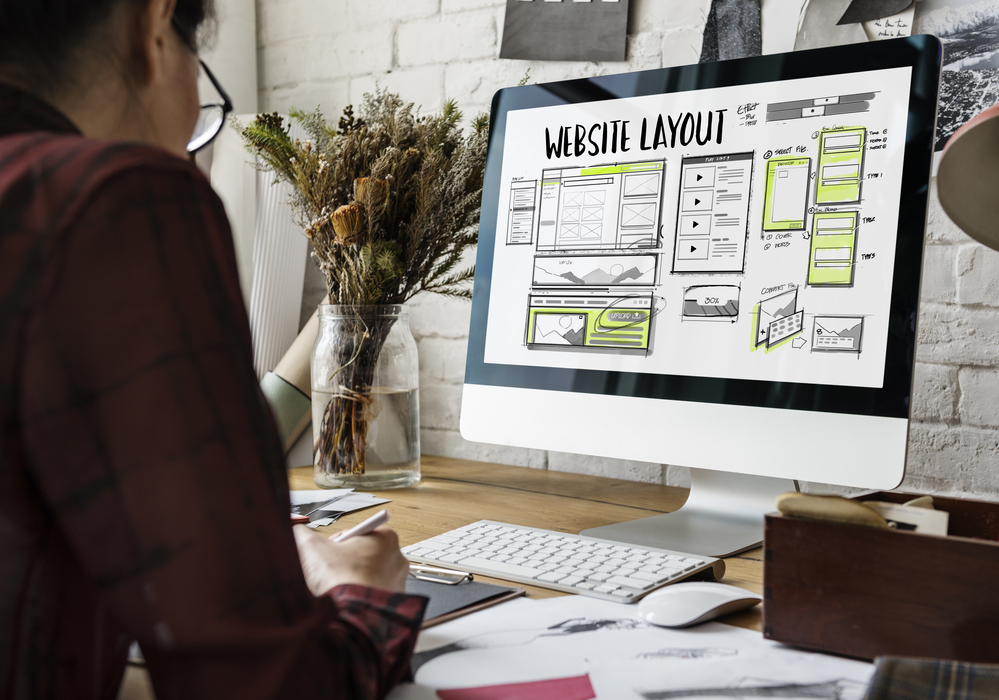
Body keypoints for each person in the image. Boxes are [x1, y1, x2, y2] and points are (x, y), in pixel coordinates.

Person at [0, 1, 426, 698]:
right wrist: (363, 595)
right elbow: (268, 686)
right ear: (153, 25)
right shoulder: (110, 197)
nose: (198, 150)